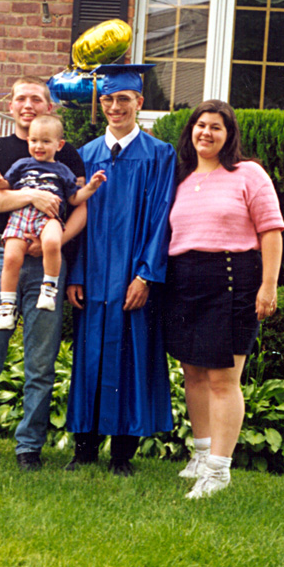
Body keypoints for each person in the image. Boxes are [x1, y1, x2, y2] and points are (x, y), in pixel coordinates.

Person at [0, 76, 87, 471]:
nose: (28, 104)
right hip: (3, 258)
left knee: (41, 360)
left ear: (50, 106)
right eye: (20, 99)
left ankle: (29, 446)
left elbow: (79, 207)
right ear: (10, 105)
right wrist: (33, 196)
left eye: (36, 98)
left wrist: (54, 240)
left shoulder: (68, 154)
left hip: (48, 259)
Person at [164, 100, 284, 499]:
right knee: (194, 373)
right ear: (191, 132)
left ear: (229, 135)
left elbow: (271, 231)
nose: (207, 133)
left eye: (217, 127)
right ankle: (200, 455)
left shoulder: (247, 173)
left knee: (223, 378)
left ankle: (219, 470)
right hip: (185, 280)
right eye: (201, 125)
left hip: (233, 280)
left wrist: (269, 286)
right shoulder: (180, 178)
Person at [65, 64, 177, 476]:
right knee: (90, 357)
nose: (115, 107)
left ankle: (122, 454)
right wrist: (74, 273)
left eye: (123, 100)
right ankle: (84, 449)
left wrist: (146, 275)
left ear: (139, 103)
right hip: (92, 277)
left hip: (133, 276)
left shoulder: (159, 155)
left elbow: (163, 218)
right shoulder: (85, 155)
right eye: (108, 100)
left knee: (132, 356)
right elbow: (74, 222)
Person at [0, 114, 106, 330]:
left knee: (53, 242)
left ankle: (49, 289)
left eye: (46, 141)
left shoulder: (63, 170)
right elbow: (7, 185)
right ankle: (6, 307)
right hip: (20, 216)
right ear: (28, 142)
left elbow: (74, 199)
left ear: (59, 144)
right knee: (11, 258)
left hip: (49, 216)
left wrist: (91, 187)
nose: (39, 146)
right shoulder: (21, 164)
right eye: (34, 140)